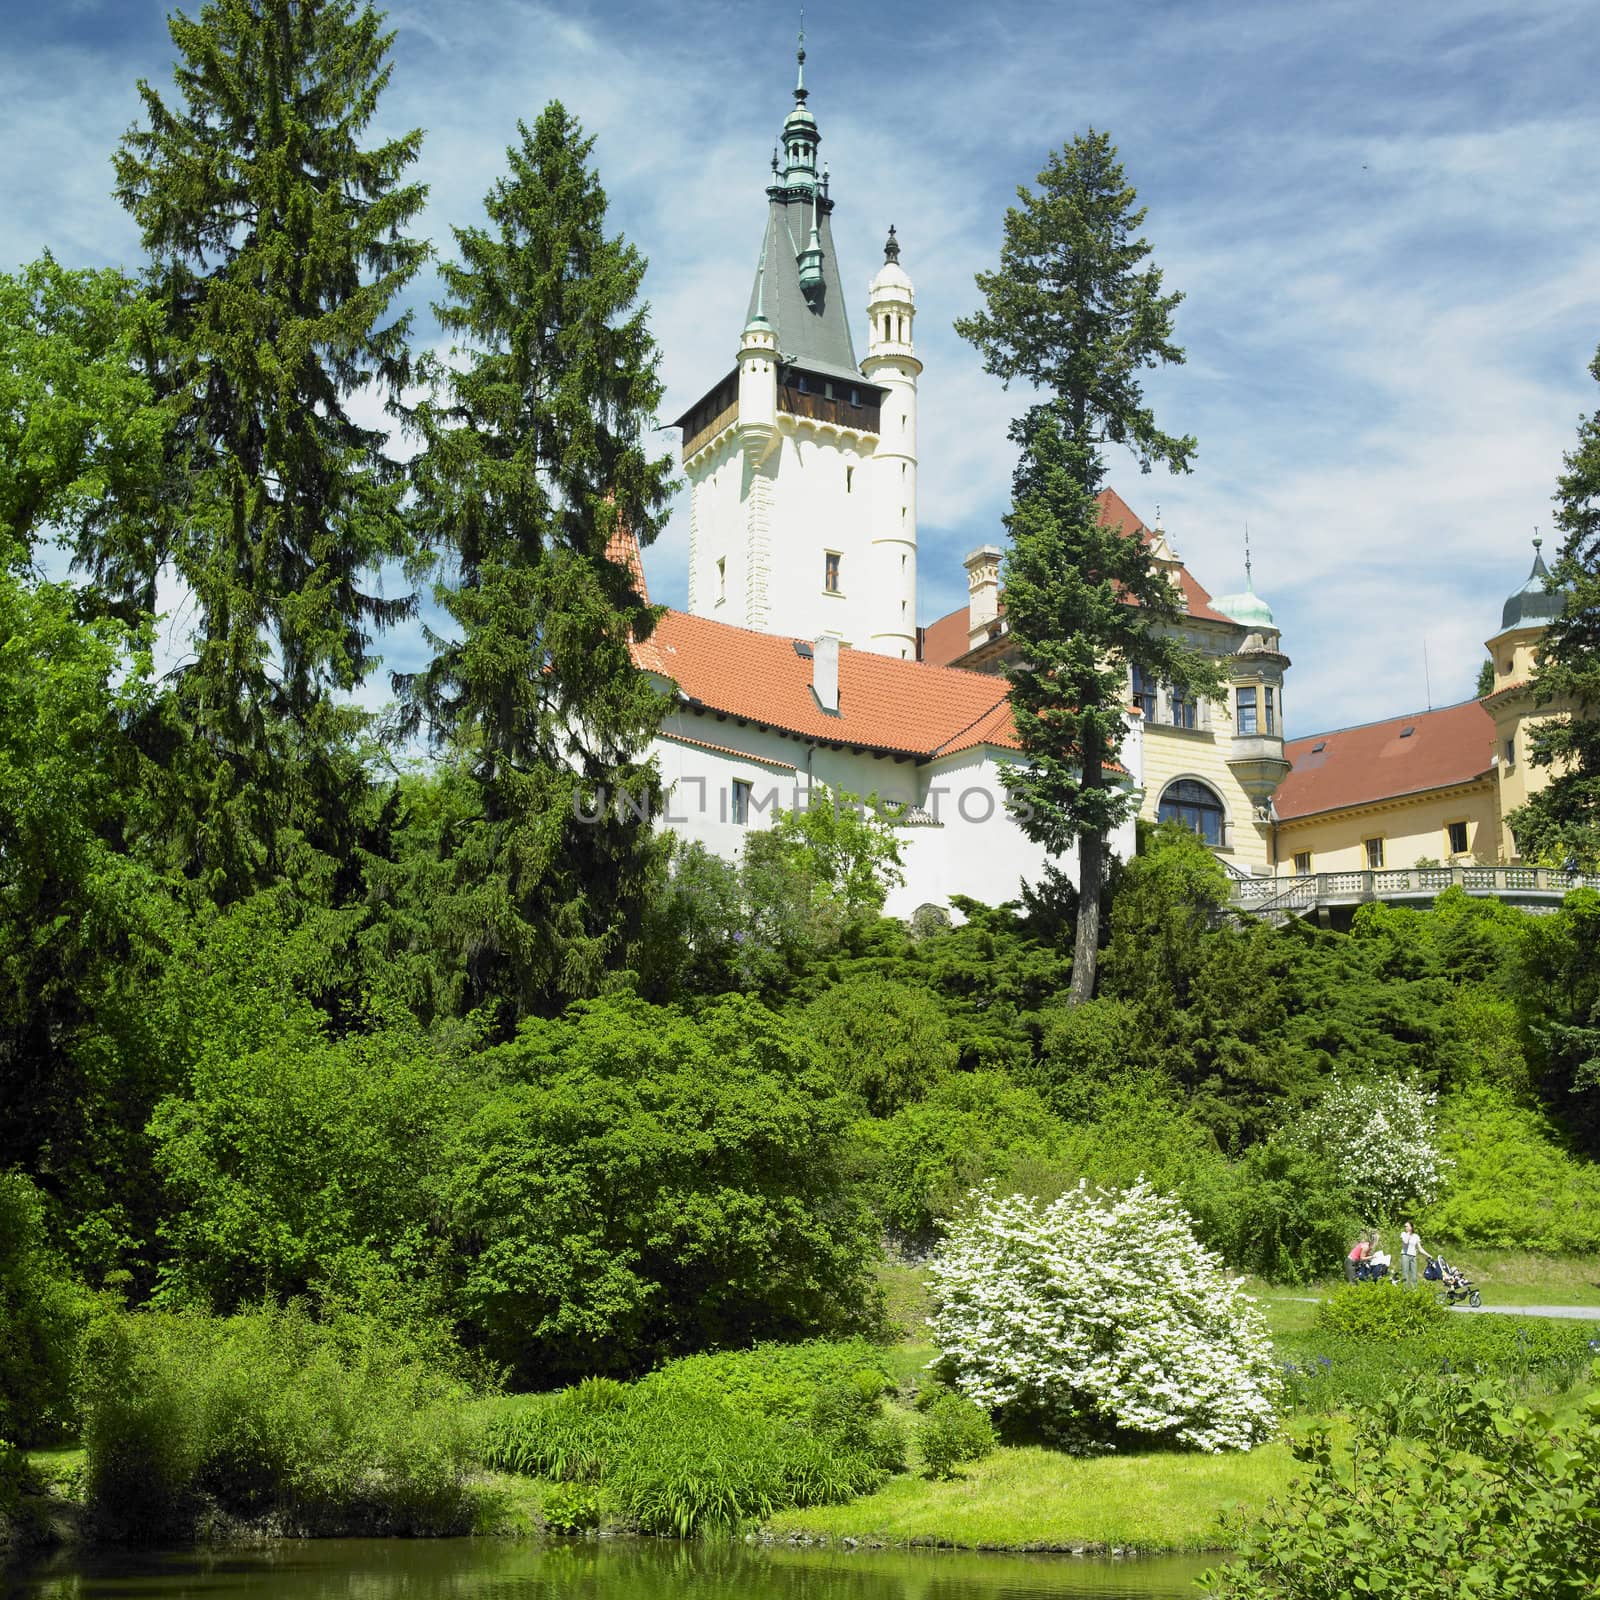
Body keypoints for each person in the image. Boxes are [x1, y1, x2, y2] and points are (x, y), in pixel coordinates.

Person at [1400, 1221, 1424, 1288]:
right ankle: (1405, 1290)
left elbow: (1420, 1248)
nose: (1405, 1227)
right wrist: (1408, 1233)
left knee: (1414, 1275)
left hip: (1413, 1256)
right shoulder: (1403, 1234)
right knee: (1405, 1274)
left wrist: (1428, 1255)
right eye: (1405, 1226)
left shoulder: (1416, 1236)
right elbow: (1405, 1241)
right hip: (1405, 1255)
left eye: (1407, 1226)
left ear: (1411, 1227)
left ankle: (1414, 1290)